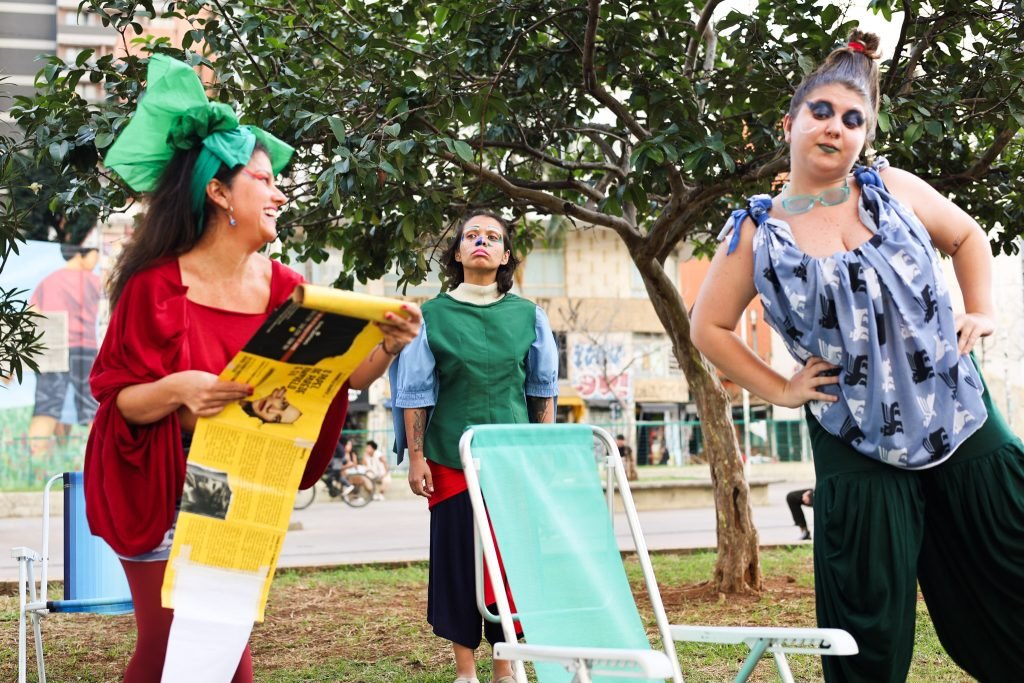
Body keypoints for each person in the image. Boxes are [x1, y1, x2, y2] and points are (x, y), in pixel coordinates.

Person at [690, 30, 1024, 682]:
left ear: (864, 136)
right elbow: (710, 327)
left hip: (958, 410)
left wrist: (980, 309)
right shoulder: (755, 231)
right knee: (865, 614)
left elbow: (966, 236)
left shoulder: (893, 187)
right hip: (855, 434)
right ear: (789, 123)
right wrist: (782, 389)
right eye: (821, 112)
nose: (836, 128)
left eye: (853, 119)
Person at [84, 55, 421, 683]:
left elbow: (340, 381)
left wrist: (389, 346)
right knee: (167, 648)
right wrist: (178, 388)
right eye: (263, 179)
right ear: (219, 192)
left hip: (239, 491)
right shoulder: (154, 287)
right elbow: (118, 400)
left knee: (224, 658)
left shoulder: (289, 288)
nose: (279, 191)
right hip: (162, 484)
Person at [390, 211, 559, 683]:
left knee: (510, 563)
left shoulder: (529, 316)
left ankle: (505, 669)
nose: (480, 242)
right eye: (471, 236)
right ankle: (466, 672)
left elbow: (541, 391)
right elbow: (415, 392)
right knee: (457, 560)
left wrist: (542, 453)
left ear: (505, 255)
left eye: (492, 237)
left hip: (512, 460)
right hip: (448, 457)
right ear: (458, 252)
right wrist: (417, 457)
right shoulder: (431, 316)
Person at [27, 244, 102, 454]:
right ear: (81, 253)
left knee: (46, 407)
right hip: (85, 349)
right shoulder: (96, 282)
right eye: (96, 253)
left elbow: (31, 316)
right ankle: (98, 461)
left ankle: (36, 462)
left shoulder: (48, 281)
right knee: (91, 407)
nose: (97, 260)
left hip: (52, 347)